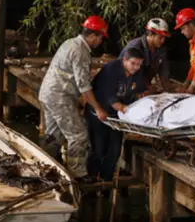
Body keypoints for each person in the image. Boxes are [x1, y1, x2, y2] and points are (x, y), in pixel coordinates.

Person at [38, 15, 109, 180]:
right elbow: (84, 85)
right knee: (78, 135)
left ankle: (46, 168)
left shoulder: (70, 43)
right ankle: (77, 174)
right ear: (92, 35)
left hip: (48, 94)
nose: (100, 42)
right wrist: (98, 108)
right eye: (100, 38)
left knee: (53, 136)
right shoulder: (81, 51)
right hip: (60, 97)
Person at [86, 47, 146, 182]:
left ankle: (106, 181)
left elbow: (140, 91)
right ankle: (90, 179)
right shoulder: (111, 69)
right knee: (98, 148)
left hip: (117, 117)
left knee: (114, 151)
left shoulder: (137, 72)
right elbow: (110, 97)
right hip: (99, 112)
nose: (136, 67)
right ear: (124, 60)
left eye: (139, 64)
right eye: (133, 63)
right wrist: (124, 109)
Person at [119, 17, 171, 93]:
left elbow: (164, 71)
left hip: (142, 86)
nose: (163, 41)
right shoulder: (135, 47)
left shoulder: (161, 49)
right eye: (160, 37)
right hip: (124, 85)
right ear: (150, 34)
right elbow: (131, 73)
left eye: (164, 38)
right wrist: (148, 86)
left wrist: (167, 87)